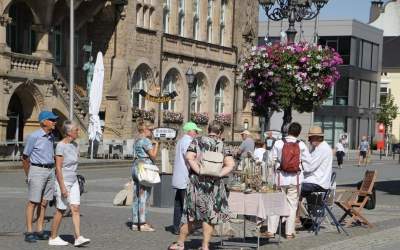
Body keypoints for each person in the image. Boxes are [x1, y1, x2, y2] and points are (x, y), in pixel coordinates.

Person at [168, 121, 235, 250]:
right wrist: (219, 174)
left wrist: (199, 171)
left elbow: (189, 157)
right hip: (214, 184)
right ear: (220, 132)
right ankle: (205, 246)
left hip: (197, 183)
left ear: (208, 129)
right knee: (209, 216)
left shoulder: (197, 141)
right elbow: (230, 164)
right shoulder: (223, 145)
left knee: (190, 214)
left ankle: (180, 243)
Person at [264, 122, 311, 239]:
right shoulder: (301, 145)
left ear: (288, 130)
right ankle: (289, 233)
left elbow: (270, 160)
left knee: (275, 203)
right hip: (296, 179)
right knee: (292, 205)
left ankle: (271, 231)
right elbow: (309, 165)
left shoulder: (279, 143)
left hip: (280, 178)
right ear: (298, 133)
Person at [48, 121, 91, 246]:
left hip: (73, 180)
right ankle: (53, 237)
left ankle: (78, 237)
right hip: (63, 180)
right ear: (68, 132)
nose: (78, 132)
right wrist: (62, 187)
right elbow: (58, 167)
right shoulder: (60, 146)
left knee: (75, 208)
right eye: (76, 130)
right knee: (61, 209)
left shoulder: (75, 145)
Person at [22, 111, 58, 243]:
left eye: (55, 120)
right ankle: (29, 231)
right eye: (52, 120)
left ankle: (40, 229)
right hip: (37, 170)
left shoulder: (52, 137)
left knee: (44, 202)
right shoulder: (34, 136)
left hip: (50, 170)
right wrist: (29, 174)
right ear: (44, 122)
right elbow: (25, 158)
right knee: (33, 202)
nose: (55, 122)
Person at [171, 122, 202, 234]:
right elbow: (189, 157)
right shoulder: (188, 141)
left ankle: (176, 227)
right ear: (190, 131)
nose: (197, 133)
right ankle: (188, 228)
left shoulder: (180, 141)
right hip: (185, 177)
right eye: (195, 131)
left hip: (179, 177)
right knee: (188, 205)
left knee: (178, 203)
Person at [131, 120, 159, 232]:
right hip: (145, 168)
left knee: (136, 195)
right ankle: (142, 223)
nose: (152, 132)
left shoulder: (137, 140)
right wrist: (156, 145)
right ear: (145, 129)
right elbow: (153, 156)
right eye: (150, 130)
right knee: (144, 195)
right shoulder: (146, 141)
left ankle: (135, 222)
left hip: (136, 166)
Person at [301, 126, 333, 199]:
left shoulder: (322, 149)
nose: (309, 140)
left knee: (293, 188)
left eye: (310, 138)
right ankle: (297, 208)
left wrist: (301, 162)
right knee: (294, 186)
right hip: (316, 181)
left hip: (318, 183)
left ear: (317, 138)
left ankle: (295, 209)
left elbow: (309, 167)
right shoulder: (318, 148)